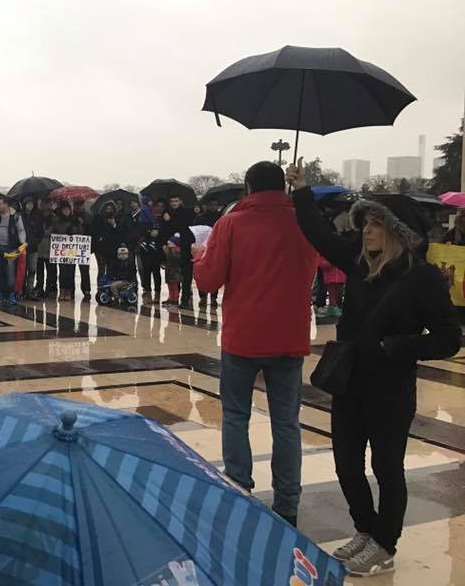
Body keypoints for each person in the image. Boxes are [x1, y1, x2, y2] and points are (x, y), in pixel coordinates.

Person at [287, 159, 461, 575]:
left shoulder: (423, 278)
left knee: (386, 467)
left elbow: (449, 338)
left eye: (376, 225)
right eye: (365, 223)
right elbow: (317, 234)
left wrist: (396, 346)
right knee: (346, 462)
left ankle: (385, 543)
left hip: (390, 386)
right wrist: (301, 190)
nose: (366, 230)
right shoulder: (358, 261)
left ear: (397, 231)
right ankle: (365, 530)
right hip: (350, 382)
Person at [193, 161, 317, 529]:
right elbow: (314, 266)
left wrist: (200, 258)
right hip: (289, 337)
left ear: (248, 188)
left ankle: (239, 489)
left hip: (244, 336)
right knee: (286, 423)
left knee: (235, 415)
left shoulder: (231, 224)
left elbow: (208, 282)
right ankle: (288, 504)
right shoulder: (304, 222)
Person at [0, 197, 26, 306]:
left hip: (11, 248)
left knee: (10, 272)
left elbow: (21, 230)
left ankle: (11, 294)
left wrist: (23, 243)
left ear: (6, 205)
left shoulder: (16, 216)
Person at [160, 196, 195, 307]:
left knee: (186, 273)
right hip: (171, 247)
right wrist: (164, 244)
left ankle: (185, 297)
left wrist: (170, 220)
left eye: (176, 201)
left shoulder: (187, 212)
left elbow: (184, 227)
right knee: (174, 273)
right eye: (172, 201)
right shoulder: (167, 213)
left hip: (185, 246)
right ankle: (175, 297)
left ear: (180, 201)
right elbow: (164, 230)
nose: (174, 203)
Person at [50, 201, 80, 301]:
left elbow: (80, 232)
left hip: (72, 250)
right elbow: (55, 231)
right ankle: (62, 290)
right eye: (64, 209)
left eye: (68, 209)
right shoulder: (57, 220)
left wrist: (74, 229)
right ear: (61, 210)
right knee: (62, 271)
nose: (66, 211)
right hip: (61, 250)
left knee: (71, 271)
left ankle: (69, 291)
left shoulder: (76, 220)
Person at [91, 201, 120, 285]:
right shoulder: (98, 217)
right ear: (103, 209)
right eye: (107, 208)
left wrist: (114, 224)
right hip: (100, 248)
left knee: (110, 269)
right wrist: (99, 237)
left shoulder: (116, 218)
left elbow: (119, 232)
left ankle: (110, 288)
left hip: (112, 248)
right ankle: (100, 288)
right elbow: (93, 230)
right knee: (101, 269)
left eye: (111, 209)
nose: (109, 210)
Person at [21, 197, 44, 299]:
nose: (30, 205)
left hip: (33, 248)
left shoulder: (37, 217)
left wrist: (36, 241)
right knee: (22, 270)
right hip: (22, 248)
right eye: (28, 204)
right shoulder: (20, 216)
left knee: (32, 270)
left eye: (31, 204)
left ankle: (30, 291)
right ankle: (22, 290)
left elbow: (41, 232)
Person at [72, 200, 93, 300]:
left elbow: (92, 232)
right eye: (76, 204)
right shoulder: (71, 216)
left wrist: (83, 224)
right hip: (71, 247)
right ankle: (71, 290)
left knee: (85, 271)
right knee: (70, 271)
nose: (78, 206)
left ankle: (86, 290)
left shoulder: (89, 216)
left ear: (83, 204)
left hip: (84, 247)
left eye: (80, 204)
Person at [35, 199, 55, 298]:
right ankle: (39, 287)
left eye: (47, 205)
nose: (45, 207)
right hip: (39, 248)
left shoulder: (54, 218)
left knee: (51, 270)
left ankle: (49, 288)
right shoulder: (37, 217)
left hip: (50, 248)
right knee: (39, 270)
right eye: (43, 204)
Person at [139, 226, 163, 304]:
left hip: (156, 263)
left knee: (157, 277)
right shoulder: (145, 239)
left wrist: (162, 261)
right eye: (153, 231)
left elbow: (162, 253)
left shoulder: (160, 240)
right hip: (147, 263)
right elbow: (141, 251)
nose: (154, 232)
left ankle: (157, 294)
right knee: (147, 277)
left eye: (156, 231)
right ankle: (148, 293)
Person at [161, 235, 183, 305]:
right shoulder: (170, 250)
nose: (168, 245)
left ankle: (175, 299)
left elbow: (174, 260)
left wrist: (168, 251)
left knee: (174, 287)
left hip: (175, 272)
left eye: (169, 243)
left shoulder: (176, 251)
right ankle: (171, 298)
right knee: (170, 286)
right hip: (169, 271)